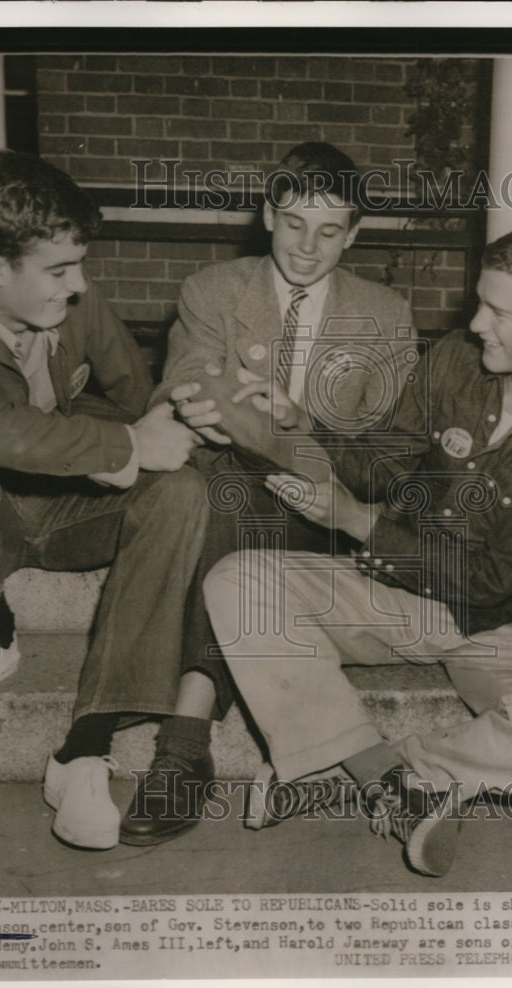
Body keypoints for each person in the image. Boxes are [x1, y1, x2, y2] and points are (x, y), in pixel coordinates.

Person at [203, 221, 512, 877]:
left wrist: (354, 522)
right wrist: (298, 423)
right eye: (478, 301)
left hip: (499, 618)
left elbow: (486, 583)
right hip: (390, 590)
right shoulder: (457, 359)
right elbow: (381, 463)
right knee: (236, 581)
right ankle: (380, 779)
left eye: (496, 309)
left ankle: (369, 769)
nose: (475, 321)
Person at [0, 149, 207, 851]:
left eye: (80, 264)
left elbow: (138, 392)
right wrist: (123, 446)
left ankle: (83, 748)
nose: (80, 285)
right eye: (61, 270)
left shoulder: (75, 302)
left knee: (182, 490)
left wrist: (187, 412)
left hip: (63, 511)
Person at [114, 141, 419, 846]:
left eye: (329, 230)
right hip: (233, 485)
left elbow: (384, 456)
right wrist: (218, 408)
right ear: (265, 215)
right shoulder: (213, 290)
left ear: (355, 233)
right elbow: (184, 384)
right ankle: (185, 742)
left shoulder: (385, 315)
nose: (307, 248)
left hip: (327, 511)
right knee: (227, 485)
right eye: (292, 224)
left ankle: (182, 748)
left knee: (233, 491)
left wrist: (295, 420)